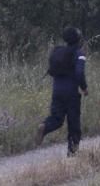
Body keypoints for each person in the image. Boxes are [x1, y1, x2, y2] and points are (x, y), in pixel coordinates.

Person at [35, 26, 89, 156]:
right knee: (73, 123)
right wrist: (84, 87)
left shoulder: (58, 52)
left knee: (56, 119)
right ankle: (72, 153)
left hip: (57, 91)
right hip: (71, 93)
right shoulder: (79, 54)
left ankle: (45, 127)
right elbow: (79, 73)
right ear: (78, 39)